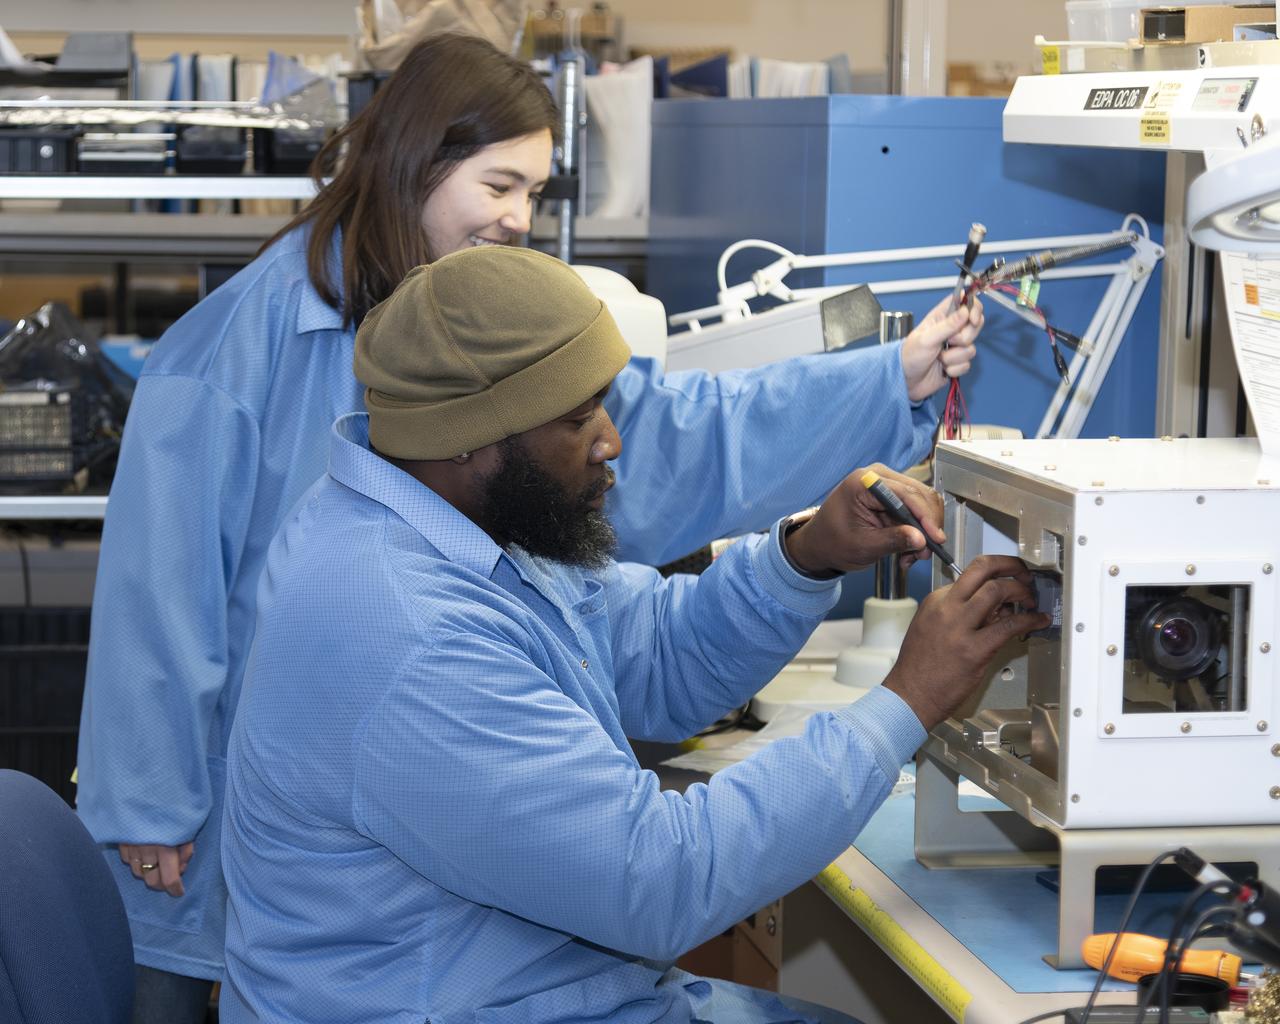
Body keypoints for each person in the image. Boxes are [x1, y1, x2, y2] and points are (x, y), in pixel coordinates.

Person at [75, 32, 985, 1020]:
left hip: (440, 911)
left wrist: (805, 551)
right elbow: (156, 593)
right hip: (364, 913)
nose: (612, 443)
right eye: (498, 184)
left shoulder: (467, 469)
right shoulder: (383, 571)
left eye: (531, 193)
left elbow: (647, 621)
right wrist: (146, 798)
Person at [220, 247, 1042, 1023]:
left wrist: (805, 555)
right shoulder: (406, 628)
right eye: (579, 419)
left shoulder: (441, 514)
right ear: (470, 437)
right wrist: (910, 698)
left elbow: (653, 651)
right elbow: (660, 881)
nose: (611, 441)